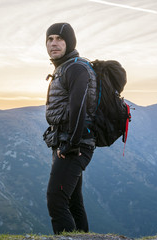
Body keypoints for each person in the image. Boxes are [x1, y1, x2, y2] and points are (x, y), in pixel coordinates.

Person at [44, 22, 97, 234]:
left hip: (75, 143)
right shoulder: (64, 68)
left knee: (56, 200)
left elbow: (78, 108)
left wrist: (71, 145)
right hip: (65, 141)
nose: (53, 43)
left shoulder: (76, 68)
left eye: (59, 38)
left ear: (70, 42)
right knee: (74, 202)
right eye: (50, 39)